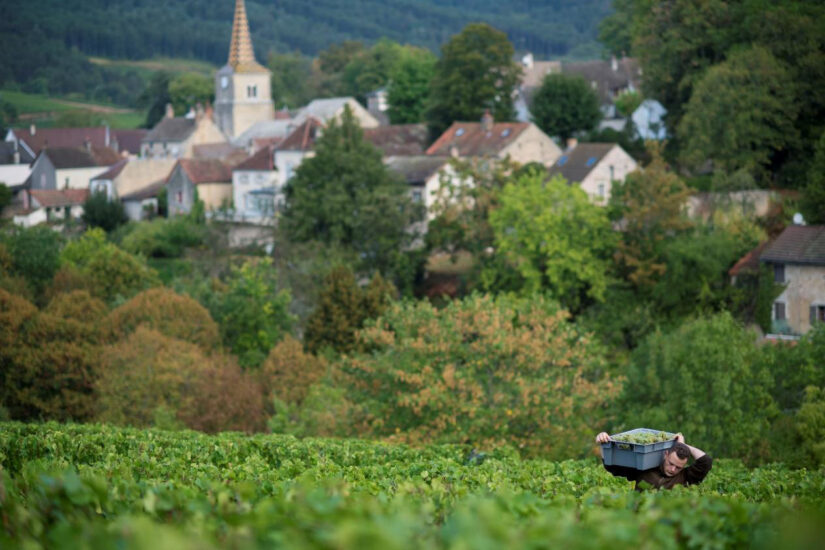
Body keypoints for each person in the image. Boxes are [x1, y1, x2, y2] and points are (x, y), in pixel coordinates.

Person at [595, 431, 712, 490]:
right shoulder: (645, 467)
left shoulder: (686, 477)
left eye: (678, 467)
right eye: (671, 463)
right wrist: (604, 443)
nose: (673, 469)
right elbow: (611, 467)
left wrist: (683, 445)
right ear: (666, 454)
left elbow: (705, 461)